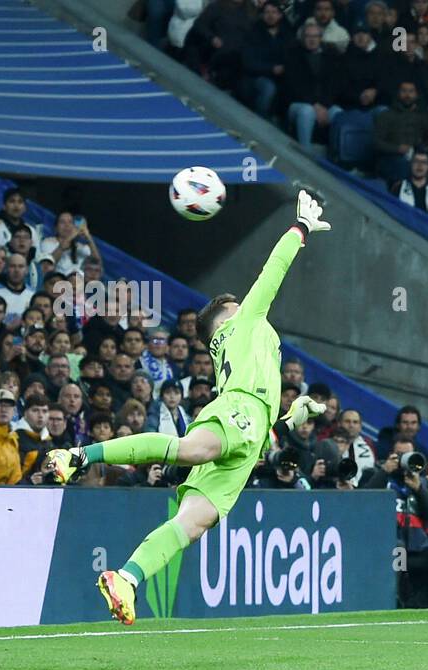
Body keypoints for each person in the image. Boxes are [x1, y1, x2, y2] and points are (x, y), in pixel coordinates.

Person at [43, 191, 332, 625]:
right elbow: (273, 274)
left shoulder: (240, 343)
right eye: (238, 303)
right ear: (227, 317)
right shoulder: (245, 321)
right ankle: (80, 455)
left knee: (192, 524)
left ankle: (126, 577)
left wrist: (293, 415)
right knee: (190, 449)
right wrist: (300, 228)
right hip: (239, 412)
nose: (248, 303)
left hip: (248, 433)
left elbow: (261, 416)